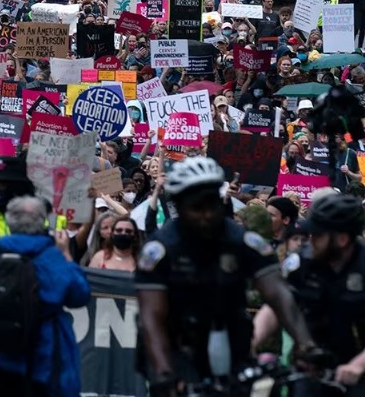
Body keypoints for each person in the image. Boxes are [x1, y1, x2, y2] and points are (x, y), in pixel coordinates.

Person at [136, 157, 320, 395]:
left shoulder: (245, 241)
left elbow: (279, 295)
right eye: (196, 207)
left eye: (211, 204)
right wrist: (164, 373)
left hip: (232, 340)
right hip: (174, 346)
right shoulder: (159, 249)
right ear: (179, 206)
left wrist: (306, 346)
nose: (206, 215)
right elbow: (152, 318)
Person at [0, 195, 90, 397]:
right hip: (44, 353)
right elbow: (79, 294)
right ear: (42, 220)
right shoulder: (50, 255)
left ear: (9, 220)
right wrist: (67, 255)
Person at [253, 192, 365, 393]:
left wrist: (357, 366)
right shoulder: (301, 262)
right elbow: (277, 304)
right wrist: (252, 339)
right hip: (310, 365)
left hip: (356, 367)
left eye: (319, 235)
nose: (311, 240)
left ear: (341, 239)